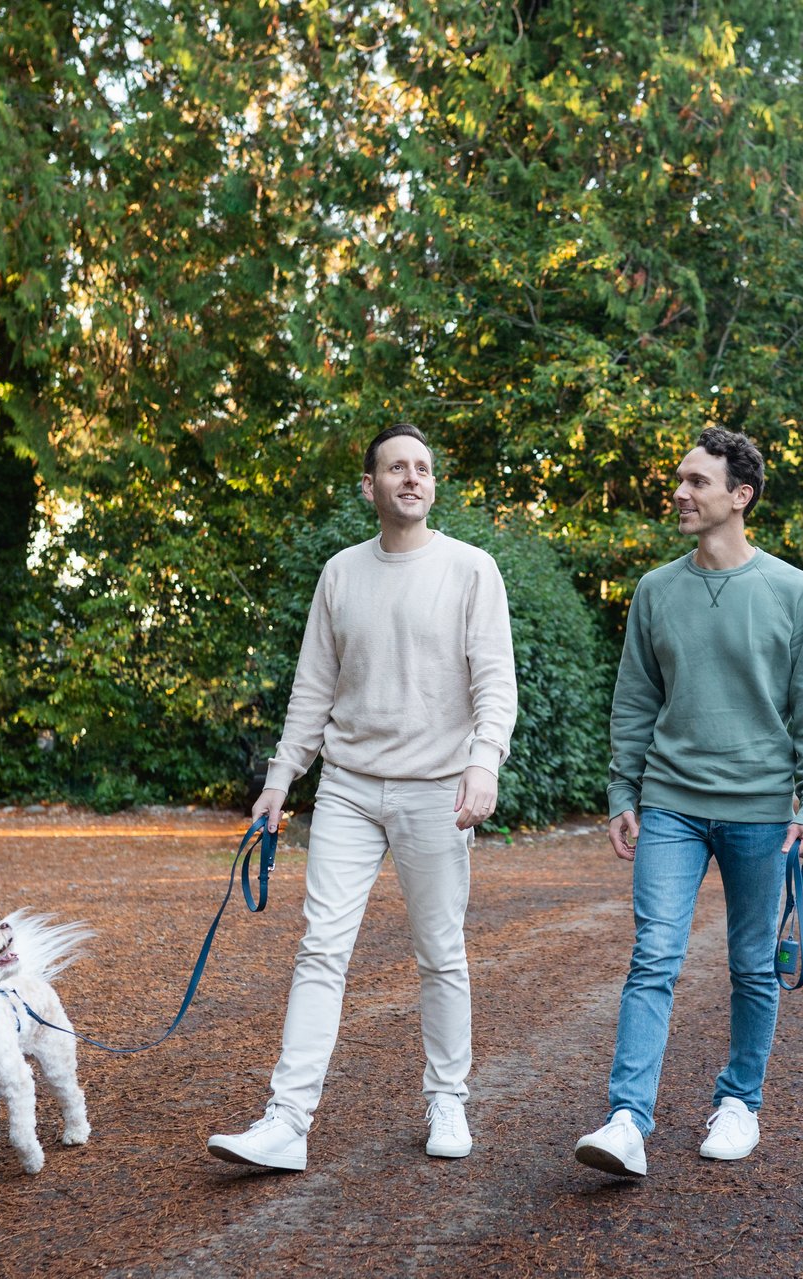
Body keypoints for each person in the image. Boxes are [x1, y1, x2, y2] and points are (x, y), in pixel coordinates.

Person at [207, 423, 518, 1172]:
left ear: (432, 484)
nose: (412, 478)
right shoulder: (341, 573)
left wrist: (484, 763)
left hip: (437, 790)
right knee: (320, 948)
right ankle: (288, 1121)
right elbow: (313, 687)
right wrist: (280, 779)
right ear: (369, 486)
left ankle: (447, 1097)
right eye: (397, 467)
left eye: (423, 468)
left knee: (439, 950)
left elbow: (495, 682)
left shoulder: (471, 569)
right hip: (347, 788)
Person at [573, 427, 803, 1177]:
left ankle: (739, 1103)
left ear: (740, 495)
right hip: (671, 803)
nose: (681, 492)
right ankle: (628, 1120)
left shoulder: (793, 591)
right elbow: (634, 700)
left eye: (698, 481)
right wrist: (623, 790)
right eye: (680, 479)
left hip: (761, 811)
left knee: (753, 965)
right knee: (653, 956)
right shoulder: (656, 590)